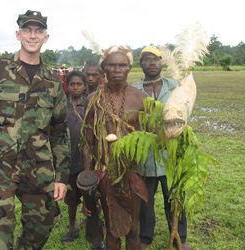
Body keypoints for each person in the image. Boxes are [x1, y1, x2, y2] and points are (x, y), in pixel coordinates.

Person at [0, 10, 70, 250]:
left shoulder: (53, 80)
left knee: (42, 227)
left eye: (38, 31)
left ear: (46, 37)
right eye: (27, 30)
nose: (32, 35)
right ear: (18, 34)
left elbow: (60, 132)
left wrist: (62, 177)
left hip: (38, 168)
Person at [81, 45, 149, 250]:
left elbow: (154, 135)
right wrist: (88, 180)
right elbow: (87, 142)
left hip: (132, 171)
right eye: (112, 65)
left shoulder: (141, 98)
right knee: (112, 229)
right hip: (105, 172)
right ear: (104, 69)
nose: (117, 69)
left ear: (129, 68)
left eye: (122, 65)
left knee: (133, 228)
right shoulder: (93, 100)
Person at [134, 46, 193, 250]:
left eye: (156, 59)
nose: (152, 63)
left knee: (175, 199)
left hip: (171, 156)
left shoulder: (176, 86)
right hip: (145, 157)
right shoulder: (134, 90)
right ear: (140, 63)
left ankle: (179, 238)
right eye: (147, 59)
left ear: (162, 63)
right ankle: (145, 237)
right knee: (145, 201)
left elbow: (185, 112)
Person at [62, 71, 86, 244]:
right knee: (71, 199)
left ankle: (95, 230)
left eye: (79, 84)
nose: (76, 87)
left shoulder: (91, 106)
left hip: (89, 161)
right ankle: (72, 228)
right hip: (70, 159)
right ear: (67, 86)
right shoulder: (62, 107)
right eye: (72, 84)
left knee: (92, 197)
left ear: (84, 86)